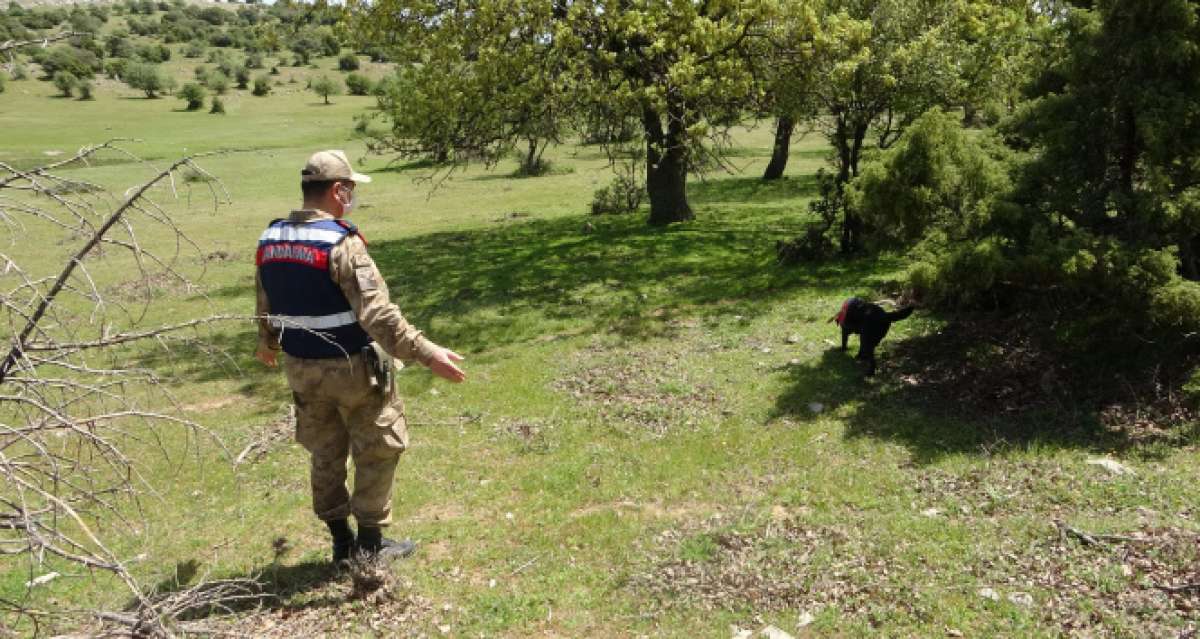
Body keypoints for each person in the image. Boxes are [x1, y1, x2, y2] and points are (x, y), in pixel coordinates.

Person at [254, 149, 466, 563]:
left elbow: (265, 301)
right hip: (353, 370)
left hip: (301, 369)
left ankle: (340, 542)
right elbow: (379, 316)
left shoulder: (271, 239)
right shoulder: (342, 242)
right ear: (337, 190)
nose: (351, 197)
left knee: (324, 452)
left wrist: (268, 342)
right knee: (378, 446)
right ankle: (369, 548)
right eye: (349, 189)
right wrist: (427, 353)